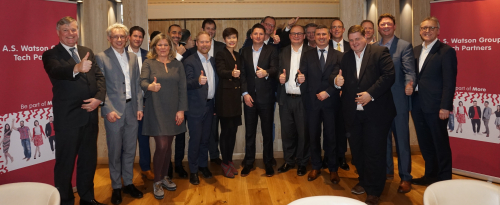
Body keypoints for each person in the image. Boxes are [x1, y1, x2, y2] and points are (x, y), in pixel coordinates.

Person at [42, 16, 106, 205]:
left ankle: (87, 198)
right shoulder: (51, 55)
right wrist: (77, 67)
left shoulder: (87, 51)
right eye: (66, 30)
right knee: (65, 164)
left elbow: (100, 78)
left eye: (74, 29)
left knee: (88, 161)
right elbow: (56, 72)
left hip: (90, 116)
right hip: (68, 119)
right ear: (58, 33)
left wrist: (98, 99)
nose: (71, 33)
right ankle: (66, 201)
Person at [332, 25, 395, 205]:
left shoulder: (380, 52)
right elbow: (335, 77)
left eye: (357, 39)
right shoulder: (345, 57)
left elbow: (389, 76)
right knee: (358, 152)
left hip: (377, 113)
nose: (354, 43)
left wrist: (371, 94)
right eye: (351, 40)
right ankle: (364, 181)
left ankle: (374, 190)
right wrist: (336, 82)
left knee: (374, 152)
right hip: (353, 115)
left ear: (365, 37)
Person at [96, 23, 144, 204]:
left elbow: (137, 85)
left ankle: (129, 182)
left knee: (130, 150)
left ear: (126, 39)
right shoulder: (101, 57)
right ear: (109, 38)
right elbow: (100, 87)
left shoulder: (132, 58)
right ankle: (116, 186)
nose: (119, 39)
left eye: (122, 36)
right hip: (113, 112)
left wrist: (139, 107)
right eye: (115, 36)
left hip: (132, 110)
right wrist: (107, 109)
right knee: (115, 151)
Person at [411, 16, 457, 187]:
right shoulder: (415, 50)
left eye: (431, 28)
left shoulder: (446, 51)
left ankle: (445, 180)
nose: (427, 31)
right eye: (424, 28)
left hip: (437, 107)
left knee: (440, 143)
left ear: (438, 30)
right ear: (420, 31)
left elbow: (449, 82)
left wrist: (445, 106)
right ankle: (430, 175)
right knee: (425, 143)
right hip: (417, 105)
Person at [140, 33, 187, 199]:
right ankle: (157, 181)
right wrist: (150, 86)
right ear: (154, 47)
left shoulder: (177, 64)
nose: (162, 48)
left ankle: (164, 176)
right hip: (156, 109)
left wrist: (181, 110)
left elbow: (183, 88)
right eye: (159, 45)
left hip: (174, 110)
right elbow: (142, 81)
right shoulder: (148, 62)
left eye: (165, 45)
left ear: (170, 47)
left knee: (168, 146)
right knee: (161, 145)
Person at [297, 24, 342, 182]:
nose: (321, 37)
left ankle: (333, 168)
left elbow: (339, 78)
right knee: (313, 136)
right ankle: (315, 166)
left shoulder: (338, 55)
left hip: (331, 102)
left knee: (331, 137)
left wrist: (328, 92)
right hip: (312, 103)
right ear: (314, 37)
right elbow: (302, 75)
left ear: (329, 36)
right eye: (318, 35)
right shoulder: (307, 55)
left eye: (324, 34)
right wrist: (299, 79)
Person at [377, 13, 416, 193]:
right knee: (382, 139)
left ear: (394, 26)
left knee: (401, 140)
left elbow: (409, 70)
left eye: (388, 24)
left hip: (399, 100)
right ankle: (387, 172)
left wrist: (410, 84)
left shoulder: (404, 46)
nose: (385, 26)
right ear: (379, 27)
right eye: (382, 24)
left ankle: (405, 177)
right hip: (379, 101)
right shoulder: (374, 47)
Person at [240, 23, 278, 177]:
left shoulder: (272, 50)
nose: (258, 36)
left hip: (266, 98)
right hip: (249, 98)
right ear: (251, 36)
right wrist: (244, 93)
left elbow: (276, 68)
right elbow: (242, 74)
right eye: (255, 34)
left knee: (267, 132)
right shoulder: (244, 51)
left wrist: (267, 72)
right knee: (250, 133)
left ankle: (268, 163)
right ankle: (249, 162)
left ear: (265, 36)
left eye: (261, 34)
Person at [277, 25, 312, 176]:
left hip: (303, 99)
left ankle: (303, 162)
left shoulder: (311, 52)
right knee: (287, 132)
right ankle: (289, 161)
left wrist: (307, 79)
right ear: (289, 36)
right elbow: (277, 70)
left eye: (299, 33)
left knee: (304, 133)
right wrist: (280, 77)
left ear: (304, 36)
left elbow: (317, 75)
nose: (296, 36)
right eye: (293, 34)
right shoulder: (283, 52)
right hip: (286, 98)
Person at [184, 31, 219, 185]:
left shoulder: (213, 61)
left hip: (210, 105)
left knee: (206, 139)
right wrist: (197, 81)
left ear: (210, 43)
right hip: (195, 107)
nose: (205, 44)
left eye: (207, 42)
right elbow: (185, 83)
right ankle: (193, 171)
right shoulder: (189, 61)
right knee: (196, 140)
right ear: (197, 43)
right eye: (201, 42)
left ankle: (203, 166)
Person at [192, 19, 226, 165]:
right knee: (199, 136)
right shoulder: (192, 54)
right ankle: (199, 164)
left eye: (213, 29)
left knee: (212, 131)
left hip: (216, 99)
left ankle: (213, 156)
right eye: (208, 28)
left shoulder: (220, 48)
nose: (210, 31)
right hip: (198, 102)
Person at [126, 26, 155, 181]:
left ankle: (145, 167)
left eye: (140, 37)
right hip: (127, 102)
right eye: (135, 36)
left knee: (143, 137)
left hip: (144, 101)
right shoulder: (121, 53)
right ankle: (126, 172)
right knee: (126, 139)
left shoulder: (148, 55)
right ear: (129, 37)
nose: (137, 39)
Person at [215, 27, 242, 178]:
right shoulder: (221, 54)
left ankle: (229, 160)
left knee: (233, 132)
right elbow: (220, 71)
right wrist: (231, 73)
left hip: (235, 99)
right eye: (229, 37)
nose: (232, 40)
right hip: (224, 99)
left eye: (234, 37)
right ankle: (225, 163)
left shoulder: (238, 55)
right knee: (225, 133)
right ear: (224, 39)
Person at [327, 17, 350, 171]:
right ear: (330, 31)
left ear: (343, 29)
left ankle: (341, 156)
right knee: (329, 128)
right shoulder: (323, 46)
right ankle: (329, 156)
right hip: (329, 94)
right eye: (333, 27)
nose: (336, 29)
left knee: (343, 127)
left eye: (339, 27)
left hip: (347, 94)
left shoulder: (351, 45)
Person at [167, 24, 189, 178]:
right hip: (166, 101)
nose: (176, 35)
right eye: (174, 32)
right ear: (168, 33)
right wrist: (178, 55)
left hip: (182, 99)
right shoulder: (162, 49)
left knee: (181, 135)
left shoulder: (185, 51)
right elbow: (167, 70)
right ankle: (167, 166)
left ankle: (179, 164)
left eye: (179, 33)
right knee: (167, 137)